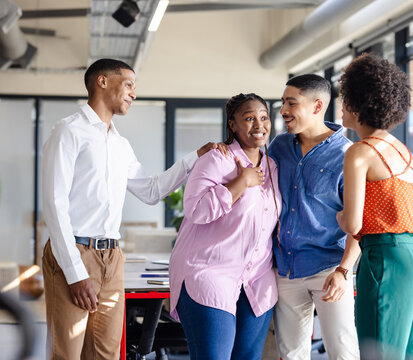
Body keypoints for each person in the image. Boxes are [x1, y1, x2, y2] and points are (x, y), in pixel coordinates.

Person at [41, 58, 223, 360]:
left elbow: (151, 191)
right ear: (102, 81)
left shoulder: (119, 144)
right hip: (74, 252)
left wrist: (194, 158)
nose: (133, 94)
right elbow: (54, 203)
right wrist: (74, 273)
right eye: (129, 84)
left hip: (111, 257)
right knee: (67, 353)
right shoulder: (68, 131)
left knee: (107, 353)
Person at [168, 93, 281, 359]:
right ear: (232, 124)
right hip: (209, 274)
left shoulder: (273, 166)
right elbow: (195, 210)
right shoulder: (216, 160)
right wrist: (240, 183)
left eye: (264, 118)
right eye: (249, 118)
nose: (259, 125)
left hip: (257, 280)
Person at [336, 53, 413, 359]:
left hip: (386, 260)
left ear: (356, 102)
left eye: (343, 97)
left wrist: (337, 214)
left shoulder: (360, 152)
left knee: (379, 354)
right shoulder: (402, 149)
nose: (340, 105)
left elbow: (352, 225)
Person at [268, 74, 360, 360]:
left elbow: (359, 223)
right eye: (283, 102)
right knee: (291, 353)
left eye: (291, 103)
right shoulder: (279, 147)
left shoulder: (347, 155)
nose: (283, 110)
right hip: (285, 267)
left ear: (317, 106)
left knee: (342, 351)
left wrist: (344, 271)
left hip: (329, 268)